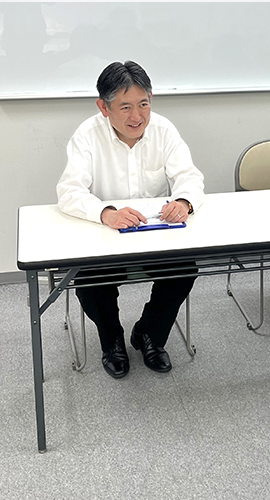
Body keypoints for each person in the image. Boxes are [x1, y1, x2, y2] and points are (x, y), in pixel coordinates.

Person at [56, 61, 205, 379]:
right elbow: (69, 192)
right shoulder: (87, 136)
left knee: (184, 269)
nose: (137, 116)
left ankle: (149, 333)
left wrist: (183, 201)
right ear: (104, 107)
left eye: (143, 104)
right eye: (125, 107)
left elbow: (190, 177)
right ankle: (112, 341)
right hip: (105, 237)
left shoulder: (163, 130)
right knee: (90, 281)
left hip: (155, 235)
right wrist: (106, 213)